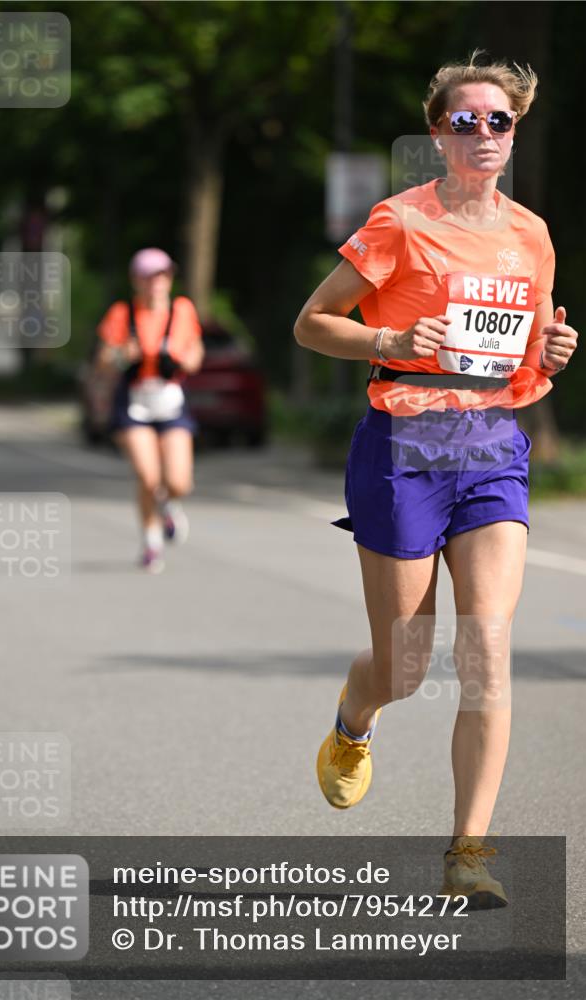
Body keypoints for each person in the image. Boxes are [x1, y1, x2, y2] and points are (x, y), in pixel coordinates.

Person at [294, 52, 578, 907]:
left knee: (486, 646)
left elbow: (524, 362)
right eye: (466, 121)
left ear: (513, 131)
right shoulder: (397, 222)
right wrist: (385, 342)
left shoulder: (531, 234)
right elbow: (312, 324)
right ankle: (355, 715)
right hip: (403, 447)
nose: (484, 133)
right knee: (407, 666)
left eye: (499, 121)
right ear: (437, 134)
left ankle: (468, 850)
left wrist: (552, 355)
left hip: (490, 445)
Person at [96, 248, 204, 573]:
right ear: (137, 281)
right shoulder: (122, 313)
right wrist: (120, 356)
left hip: (170, 400)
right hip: (134, 402)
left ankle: (170, 503)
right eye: (150, 277)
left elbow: (196, 352)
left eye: (163, 276)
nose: (157, 283)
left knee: (179, 481)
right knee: (147, 476)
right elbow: (103, 361)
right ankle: (151, 542)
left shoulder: (182, 310)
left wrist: (186, 360)